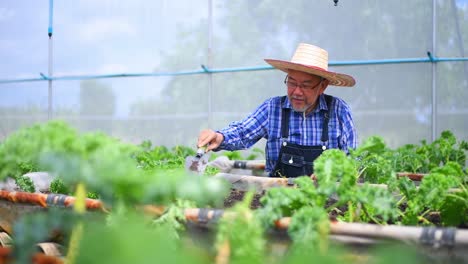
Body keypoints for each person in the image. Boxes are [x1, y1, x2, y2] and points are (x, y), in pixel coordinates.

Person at [197, 43, 357, 178]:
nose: (297, 92)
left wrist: (334, 172)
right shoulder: (273, 109)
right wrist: (219, 137)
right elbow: (242, 132)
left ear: (322, 86)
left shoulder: (339, 111)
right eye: (292, 83)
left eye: (306, 85)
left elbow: (352, 159)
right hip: (278, 197)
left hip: (326, 203)